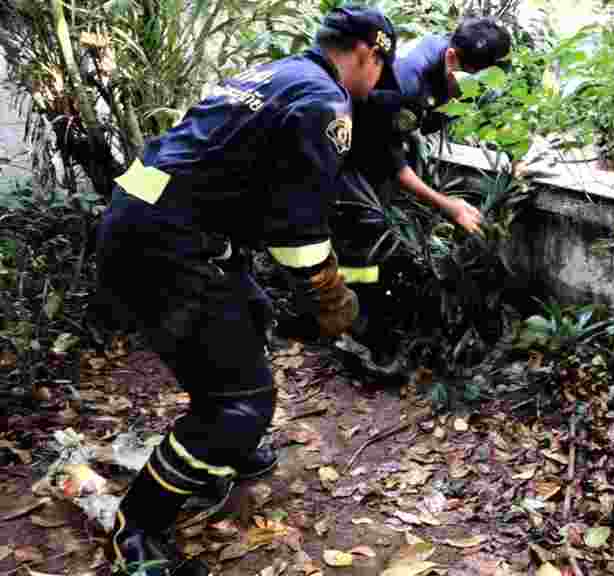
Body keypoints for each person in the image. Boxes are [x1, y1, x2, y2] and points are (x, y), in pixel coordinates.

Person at [89, 7, 398, 576]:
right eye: (382, 71)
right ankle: (137, 527)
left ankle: (222, 451)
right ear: (366, 54)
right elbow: (298, 232)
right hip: (169, 244)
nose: (378, 83)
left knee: (251, 313)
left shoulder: (274, 74)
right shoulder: (323, 103)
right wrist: (332, 296)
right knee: (240, 402)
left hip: (145, 218)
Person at [327, 17, 512, 374]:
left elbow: (415, 126)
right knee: (364, 234)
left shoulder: (443, 57)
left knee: (386, 229)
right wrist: (448, 206)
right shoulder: (406, 82)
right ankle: (357, 338)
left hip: (380, 134)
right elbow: (386, 160)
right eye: (475, 74)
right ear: (454, 57)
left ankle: (377, 314)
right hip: (345, 148)